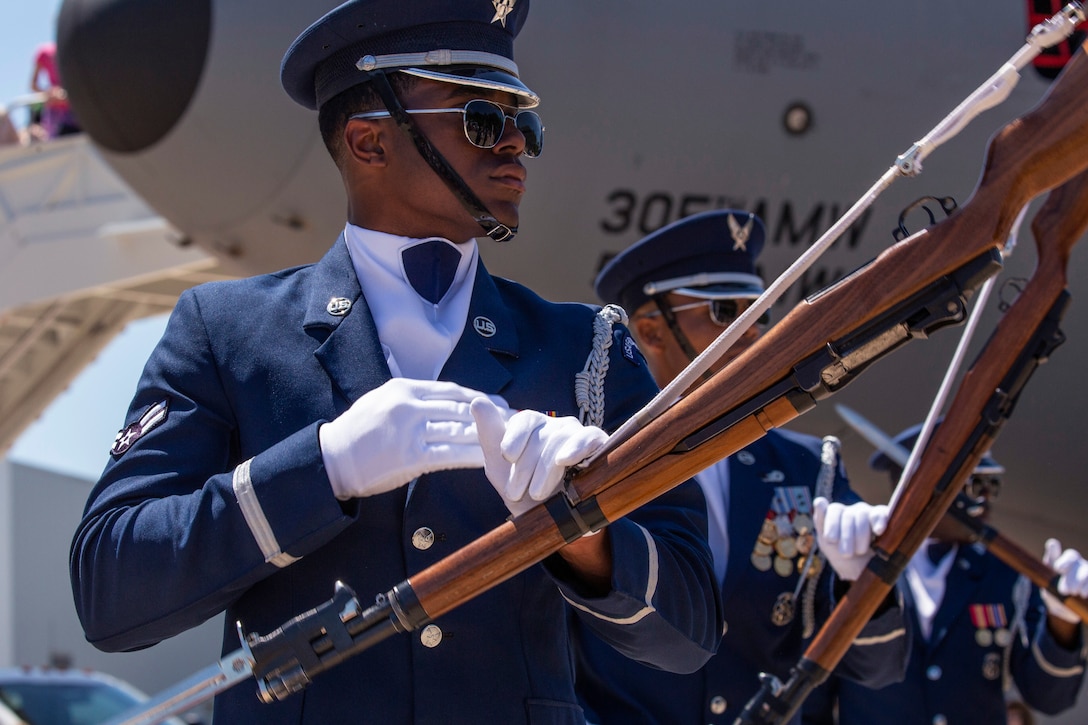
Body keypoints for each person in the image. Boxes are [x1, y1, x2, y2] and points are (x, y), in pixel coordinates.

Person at [68, 2, 723, 722]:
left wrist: (584, 533)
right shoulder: (226, 331)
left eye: (523, 122)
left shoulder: (587, 349)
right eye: (481, 118)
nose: (515, 145)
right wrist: (323, 467)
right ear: (369, 142)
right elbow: (110, 586)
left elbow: (690, 629)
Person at [579, 209, 910, 724]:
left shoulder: (807, 468)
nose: (754, 333)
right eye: (726, 311)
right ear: (652, 330)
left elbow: (878, 664)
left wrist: (859, 583)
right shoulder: (591, 457)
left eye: (760, 315)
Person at [802, 423, 1088, 725]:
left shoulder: (1006, 574)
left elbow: (1050, 698)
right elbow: (814, 699)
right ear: (917, 485)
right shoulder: (850, 568)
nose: (986, 500)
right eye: (975, 485)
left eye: (993, 486)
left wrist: (1061, 620)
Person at [30, 42, 79, 138]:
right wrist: (49, 93)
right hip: (55, 115)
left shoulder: (74, 50)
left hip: (76, 109)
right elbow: (33, 84)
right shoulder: (44, 53)